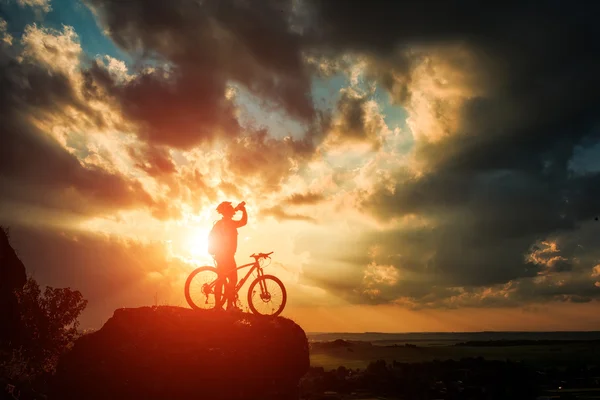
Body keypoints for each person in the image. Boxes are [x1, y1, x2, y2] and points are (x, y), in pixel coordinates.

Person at [209, 201, 247, 311]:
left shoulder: (220, 223)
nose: (232, 211)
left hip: (220, 255)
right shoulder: (229, 223)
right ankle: (229, 306)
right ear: (227, 212)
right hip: (227, 256)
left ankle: (218, 306)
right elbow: (243, 222)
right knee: (232, 280)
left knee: (221, 280)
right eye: (230, 209)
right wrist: (243, 210)